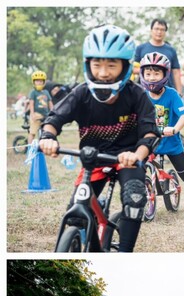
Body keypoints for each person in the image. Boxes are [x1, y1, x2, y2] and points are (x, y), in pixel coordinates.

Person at [38, 24, 160, 253]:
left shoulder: (137, 95)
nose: (103, 73)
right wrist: (47, 137)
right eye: (97, 65)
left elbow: (150, 134)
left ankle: (124, 254)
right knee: (75, 212)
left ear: (124, 67)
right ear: (88, 64)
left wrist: (136, 155)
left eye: (111, 65)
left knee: (134, 199)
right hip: (93, 159)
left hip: (129, 158)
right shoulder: (81, 92)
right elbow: (54, 119)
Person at [139, 52, 184, 200]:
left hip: (171, 143)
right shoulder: (141, 95)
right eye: (148, 73)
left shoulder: (172, 94)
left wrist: (174, 129)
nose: (151, 77)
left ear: (164, 75)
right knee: (137, 168)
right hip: (150, 143)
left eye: (156, 73)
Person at [134, 19, 182, 94]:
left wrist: (179, 92)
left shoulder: (171, 50)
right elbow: (134, 68)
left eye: (162, 30)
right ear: (151, 30)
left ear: (165, 32)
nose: (159, 32)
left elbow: (176, 72)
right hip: (145, 92)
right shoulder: (141, 48)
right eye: (156, 29)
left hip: (167, 91)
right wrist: (150, 70)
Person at [27, 70, 53, 145]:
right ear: (34, 82)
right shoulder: (33, 92)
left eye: (41, 81)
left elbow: (50, 103)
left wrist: (53, 112)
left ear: (44, 82)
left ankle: (43, 145)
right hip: (37, 114)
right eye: (37, 81)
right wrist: (32, 114)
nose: (39, 82)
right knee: (33, 132)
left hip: (46, 114)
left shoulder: (46, 92)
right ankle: (30, 147)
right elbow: (31, 104)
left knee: (46, 131)